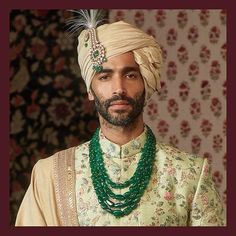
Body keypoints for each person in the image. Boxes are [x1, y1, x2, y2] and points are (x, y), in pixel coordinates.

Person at [15, 10, 225, 226]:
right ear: (90, 89)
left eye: (130, 75)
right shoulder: (50, 175)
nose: (119, 88)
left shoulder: (189, 174)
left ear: (146, 83)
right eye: (105, 76)